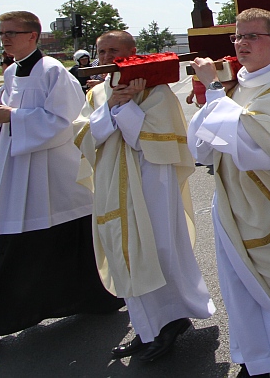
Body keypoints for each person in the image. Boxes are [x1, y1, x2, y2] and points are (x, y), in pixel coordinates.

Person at [188, 9, 270, 377]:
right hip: (234, 202)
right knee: (247, 283)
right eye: (237, 37)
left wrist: (214, 92)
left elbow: (254, 144)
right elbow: (200, 148)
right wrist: (214, 97)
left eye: (251, 37)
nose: (241, 44)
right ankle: (265, 355)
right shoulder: (236, 85)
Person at [0, 11, 123, 345]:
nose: (5, 38)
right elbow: (9, 115)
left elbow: (66, 122)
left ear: (33, 36)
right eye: (2, 33)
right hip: (19, 169)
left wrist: (12, 116)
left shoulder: (53, 72)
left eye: (12, 32)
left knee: (48, 241)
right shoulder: (11, 72)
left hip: (51, 176)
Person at [73, 30, 213, 361]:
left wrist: (125, 109)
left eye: (113, 51)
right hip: (112, 180)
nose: (106, 57)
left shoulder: (155, 90)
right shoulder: (97, 93)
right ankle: (146, 326)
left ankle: (171, 320)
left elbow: (149, 140)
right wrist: (112, 104)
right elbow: (85, 135)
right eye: (101, 51)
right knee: (125, 250)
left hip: (151, 180)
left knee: (158, 246)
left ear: (131, 52)